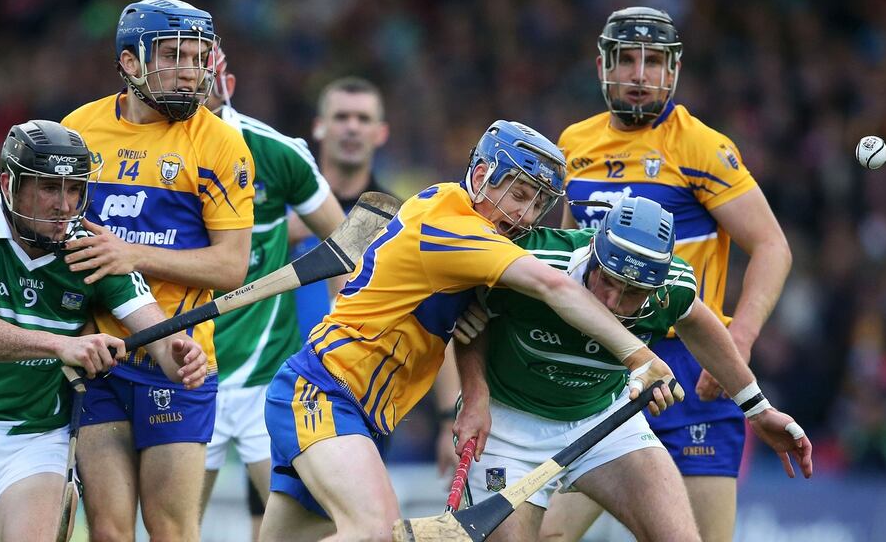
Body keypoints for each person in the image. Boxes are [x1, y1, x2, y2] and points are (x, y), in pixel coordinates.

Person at [258, 120, 685, 542]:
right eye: (518, 195)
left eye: (538, 205)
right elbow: (554, 285)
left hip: (360, 409)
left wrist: (465, 310)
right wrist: (640, 357)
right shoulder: (455, 224)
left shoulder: (457, 220)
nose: (526, 216)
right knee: (376, 534)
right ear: (481, 176)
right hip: (324, 393)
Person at [0, 120, 207, 542]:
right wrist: (64, 346)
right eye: (50, 189)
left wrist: (178, 355)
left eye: (74, 190)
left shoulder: (90, 249)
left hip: (36, 443)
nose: (65, 205)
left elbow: (155, 328)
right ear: (8, 184)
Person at [554, 7, 793, 541]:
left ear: (674, 71)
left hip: (689, 365)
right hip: (603, 361)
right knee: (549, 532)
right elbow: (569, 252)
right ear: (602, 65)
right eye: (629, 60)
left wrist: (739, 338)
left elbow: (773, 246)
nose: (641, 75)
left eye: (655, 62)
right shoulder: (574, 144)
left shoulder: (702, 147)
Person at [449, 196, 812, 542]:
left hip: (603, 420)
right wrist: (476, 396)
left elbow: (701, 326)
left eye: (633, 292)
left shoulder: (672, 287)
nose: (612, 301)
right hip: (507, 429)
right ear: (594, 253)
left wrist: (758, 409)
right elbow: (472, 320)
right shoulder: (536, 259)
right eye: (607, 280)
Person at [60, 0, 255, 541]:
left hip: (181, 360)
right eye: (174, 56)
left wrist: (132, 255)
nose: (190, 71)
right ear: (129, 63)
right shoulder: (79, 132)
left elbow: (231, 266)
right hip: (100, 360)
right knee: (109, 532)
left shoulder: (220, 143)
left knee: (170, 529)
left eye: (198, 58)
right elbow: (59, 241)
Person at [198, 45, 345, 541]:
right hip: (185, 377)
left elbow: (351, 244)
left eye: (204, 72)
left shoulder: (275, 151)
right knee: (169, 532)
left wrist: (346, 335)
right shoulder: (150, 160)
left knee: (313, 533)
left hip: (266, 383)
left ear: (228, 85)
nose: (191, 85)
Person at [290, 76, 397, 340]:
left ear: (381, 132)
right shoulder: (283, 207)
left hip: (353, 377)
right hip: (274, 374)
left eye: (363, 119)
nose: (352, 127)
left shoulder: (399, 220)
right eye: (341, 117)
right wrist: (279, 237)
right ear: (318, 127)